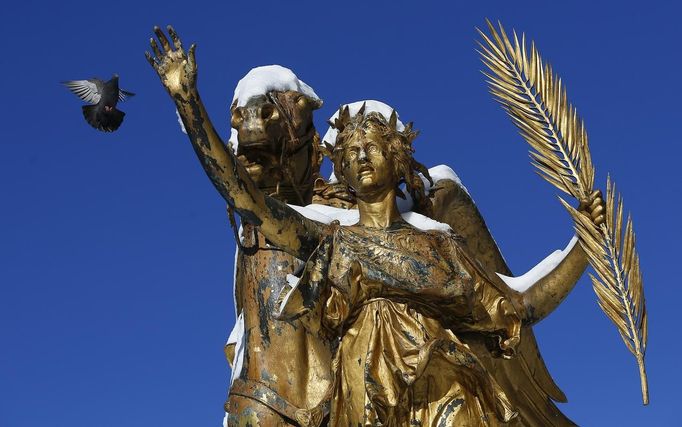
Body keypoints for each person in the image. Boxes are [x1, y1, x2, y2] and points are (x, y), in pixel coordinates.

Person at [146, 26, 603, 426]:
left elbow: (519, 306)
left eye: (374, 146)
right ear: (339, 170)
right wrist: (188, 101)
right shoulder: (333, 243)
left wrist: (585, 244)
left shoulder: (439, 249)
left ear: (398, 158)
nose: (362, 156)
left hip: (444, 401)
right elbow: (245, 198)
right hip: (362, 405)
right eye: (349, 152)